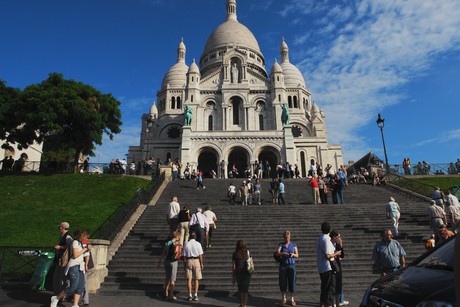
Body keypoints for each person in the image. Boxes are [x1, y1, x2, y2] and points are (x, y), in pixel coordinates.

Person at [51, 230, 92, 307]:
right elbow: (75, 255)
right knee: (73, 286)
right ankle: (56, 298)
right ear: (82, 236)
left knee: (80, 287)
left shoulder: (82, 243)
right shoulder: (75, 242)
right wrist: (85, 249)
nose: (86, 239)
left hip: (81, 266)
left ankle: (75, 304)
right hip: (74, 266)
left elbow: (86, 254)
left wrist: (87, 252)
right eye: (86, 237)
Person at [316, 222, 341, 307]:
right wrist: (336, 254)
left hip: (321, 267)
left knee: (324, 287)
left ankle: (322, 304)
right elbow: (328, 255)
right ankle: (328, 305)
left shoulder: (320, 238)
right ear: (329, 229)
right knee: (330, 288)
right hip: (327, 267)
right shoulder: (326, 239)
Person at [275, 230, 299, 306]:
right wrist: (283, 253)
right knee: (282, 281)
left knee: (292, 281)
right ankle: (283, 297)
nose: (287, 239)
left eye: (288, 237)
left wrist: (292, 254)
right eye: (285, 237)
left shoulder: (293, 244)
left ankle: (292, 298)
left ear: (290, 237)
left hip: (292, 264)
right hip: (283, 265)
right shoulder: (281, 244)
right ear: (283, 237)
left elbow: (297, 255)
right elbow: (277, 253)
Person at [181, 231, 204, 301]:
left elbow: (184, 256)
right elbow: (200, 255)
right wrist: (201, 263)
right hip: (196, 261)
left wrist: (184, 264)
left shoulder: (186, 244)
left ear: (189, 237)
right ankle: (195, 295)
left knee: (189, 279)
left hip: (188, 261)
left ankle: (189, 295)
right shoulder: (198, 244)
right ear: (195, 237)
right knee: (196, 279)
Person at [159, 231, 181, 301]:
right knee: (173, 279)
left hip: (166, 261)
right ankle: (171, 294)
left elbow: (163, 253)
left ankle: (166, 292)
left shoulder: (167, 243)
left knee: (167, 277)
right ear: (177, 236)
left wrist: (159, 261)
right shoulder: (177, 243)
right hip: (173, 262)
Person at [53, 222, 73, 295]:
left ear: (63, 228)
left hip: (64, 260)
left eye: (60, 227)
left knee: (62, 278)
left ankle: (61, 294)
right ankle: (59, 293)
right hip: (60, 259)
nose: (59, 228)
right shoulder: (63, 236)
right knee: (58, 277)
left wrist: (60, 247)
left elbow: (70, 246)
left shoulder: (68, 237)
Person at [330, 230, 349, 306]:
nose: (339, 238)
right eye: (338, 237)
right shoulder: (329, 244)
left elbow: (342, 255)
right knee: (332, 286)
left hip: (337, 266)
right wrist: (335, 254)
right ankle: (332, 303)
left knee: (338, 285)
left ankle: (338, 303)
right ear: (334, 237)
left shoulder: (337, 244)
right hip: (331, 266)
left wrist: (341, 245)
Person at [232, 240, 252, 307]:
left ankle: (241, 304)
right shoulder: (248, 252)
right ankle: (245, 305)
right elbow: (251, 261)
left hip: (238, 273)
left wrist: (233, 276)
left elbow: (234, 266)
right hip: (247, 273)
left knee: (240, 290)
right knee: (245, 291)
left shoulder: (235, 254)